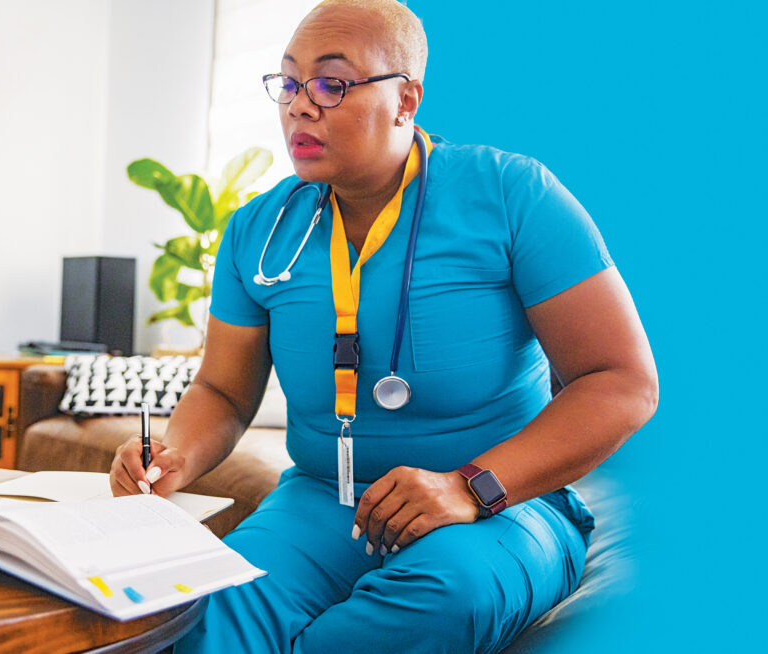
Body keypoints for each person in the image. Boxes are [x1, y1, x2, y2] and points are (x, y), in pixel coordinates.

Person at [110, 0, 658, 651]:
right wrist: (178, 455)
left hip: (503, 505)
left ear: (406, 99)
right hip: (321, 502)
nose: (299, 107)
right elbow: (223, 392)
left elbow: (621, 382)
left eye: (331, 83)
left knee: (445, 597)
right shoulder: (256, 231)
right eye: (289, 83)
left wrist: (471, 486)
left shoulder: (513, 194)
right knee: (204, 615)